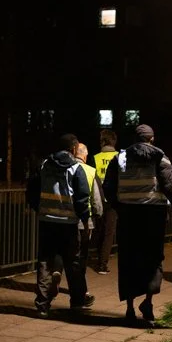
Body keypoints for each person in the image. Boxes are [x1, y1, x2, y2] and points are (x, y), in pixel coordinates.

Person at [103, 124, 172, 326]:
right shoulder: (160, 158)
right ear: (152, 139)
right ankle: (148, 303)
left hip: (128, 216)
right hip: (153, 216)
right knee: (153, 260)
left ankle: (129, 308)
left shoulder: (120, 158)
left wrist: (119, 206)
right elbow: (170, 189)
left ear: (136, 139)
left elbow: (108, 187)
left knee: (128, 259)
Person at [26, 133, 93, 317]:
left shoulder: (44, 165)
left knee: (45, 263)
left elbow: (31, 188)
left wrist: (37, 208)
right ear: (73, 149)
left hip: (47, 221)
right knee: (73, 263)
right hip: (69, 224)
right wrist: (85, 219)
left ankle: (42, 304)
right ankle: (77, 302)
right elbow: (81, 197)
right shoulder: (76, 168)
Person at [73, 142, 103, 296]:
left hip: (67, 219)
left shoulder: (67, 168)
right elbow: (96, 199)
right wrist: (98, 214)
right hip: (85, 221)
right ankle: (80, 289)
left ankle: (57, 276)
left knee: (68, 253)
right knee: (82, 255)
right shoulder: (90, 170)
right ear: (84, 155)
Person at [90, 130, 119, 274]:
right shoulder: (119, 157)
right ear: (114, 141)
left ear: (102, 141)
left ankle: (98, 255)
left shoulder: (95, 158)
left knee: (99, 230)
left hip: (99, 198)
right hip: (113, 199)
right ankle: (102, 264)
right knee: (109, 232)